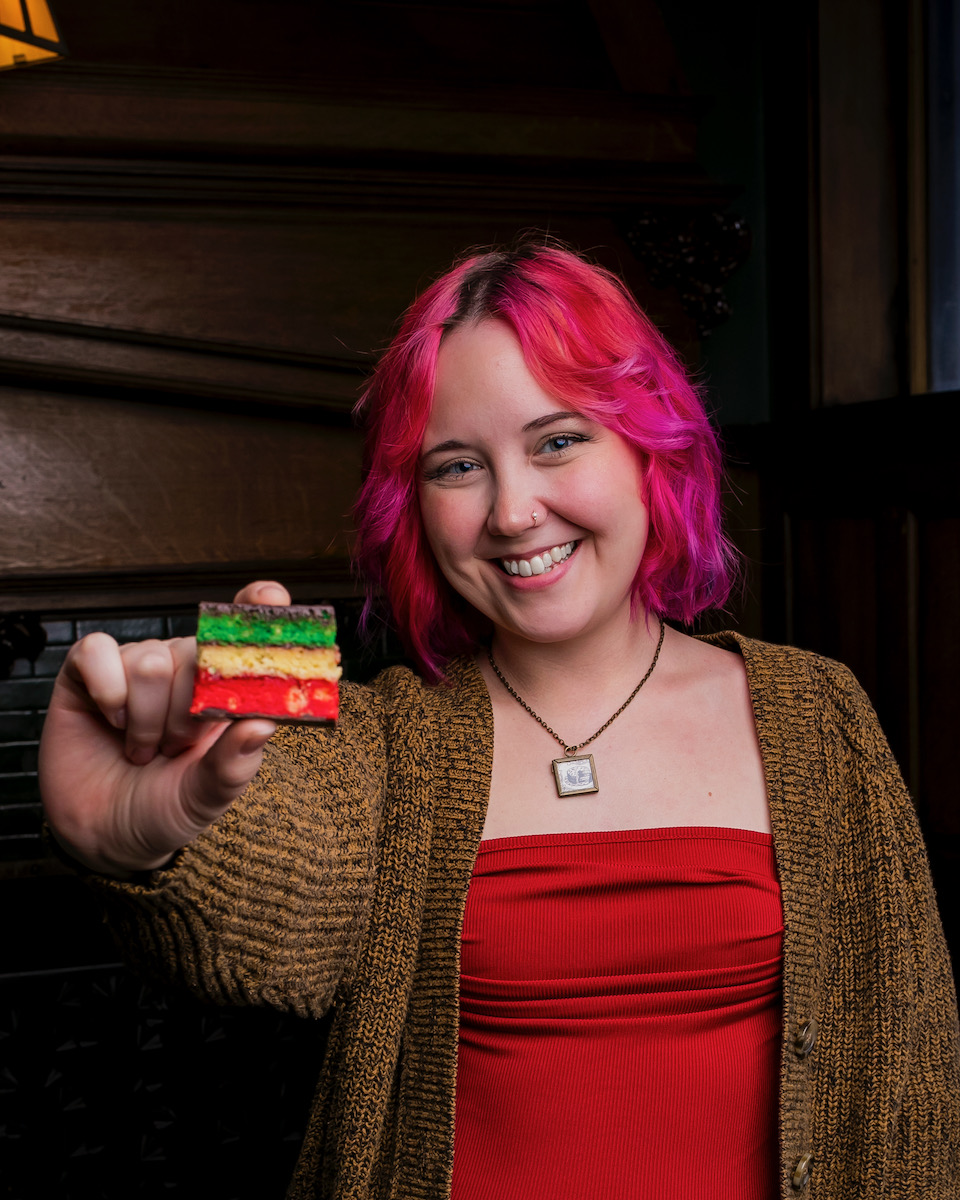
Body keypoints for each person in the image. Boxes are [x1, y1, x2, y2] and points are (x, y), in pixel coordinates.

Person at [40, 241, 959, 1199]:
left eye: (559, 440)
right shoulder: (374, 727)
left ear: (654, 448)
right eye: (457, 466)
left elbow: (911, 1071)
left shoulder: (818, 708)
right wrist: (141, 841)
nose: (514, 512)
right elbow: (264, 891)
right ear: (413, 510)